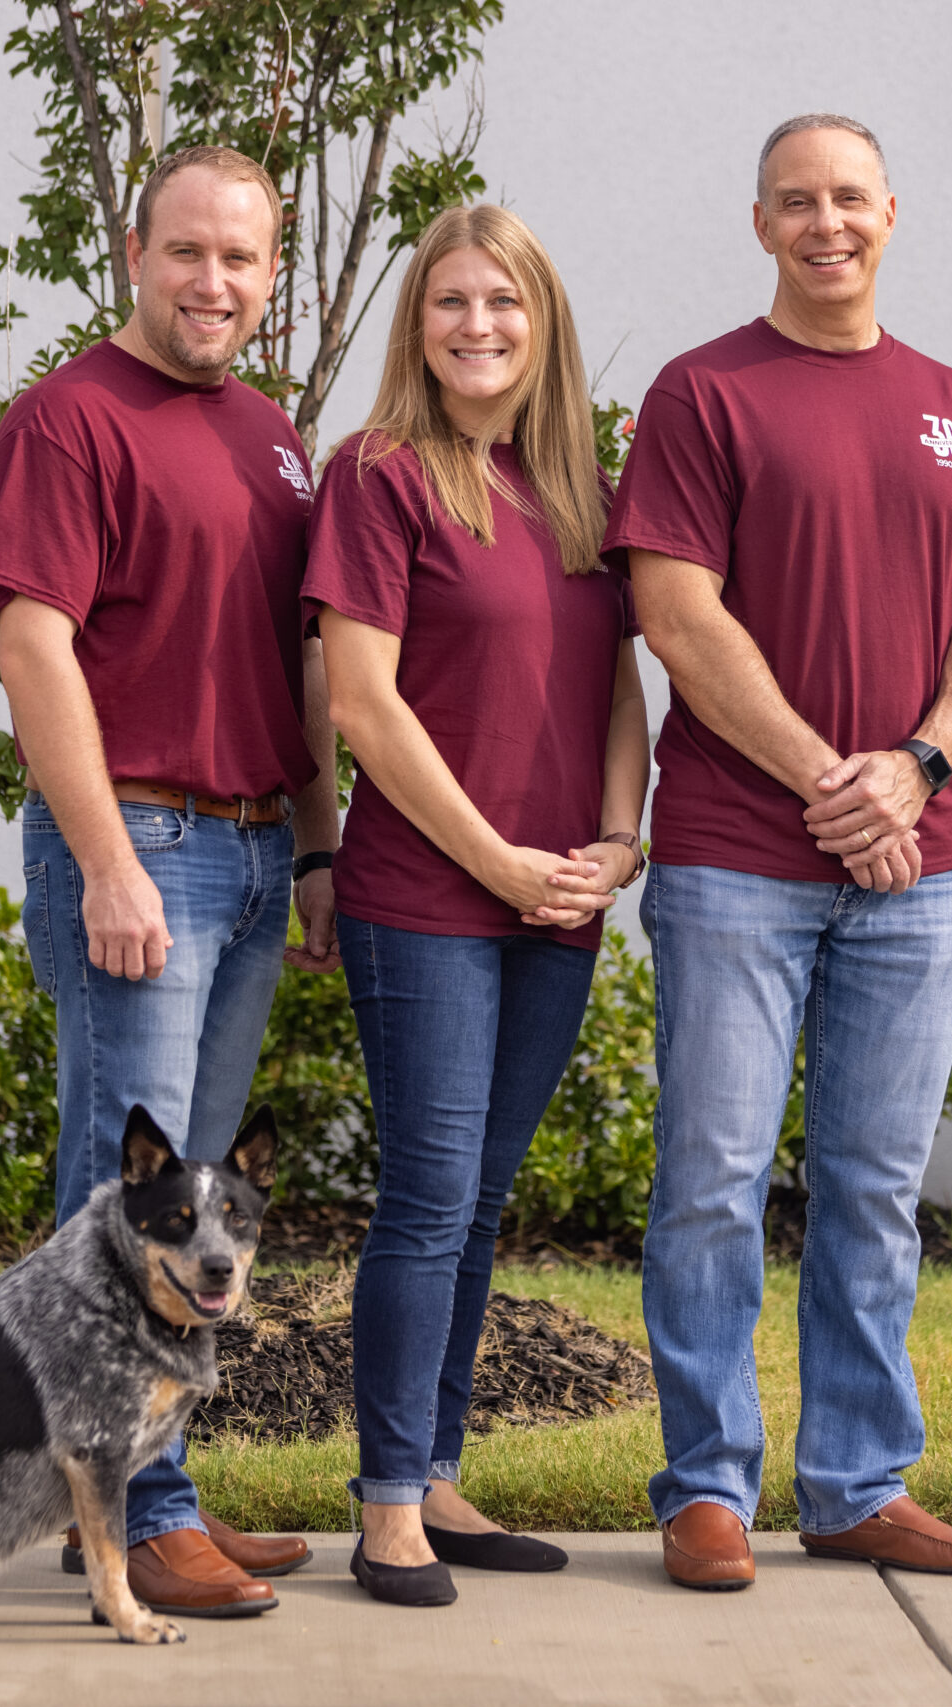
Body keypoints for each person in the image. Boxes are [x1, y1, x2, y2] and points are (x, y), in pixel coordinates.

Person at [604, 114, 952, 1591]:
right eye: (799, 202)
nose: (826, 223)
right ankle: (705, 1490)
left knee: (873, 1187)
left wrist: (913, 769)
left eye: (850, 199)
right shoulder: (703, 394)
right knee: (714, 1182)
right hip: (738, 854)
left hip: (925, 859)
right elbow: (676, 610)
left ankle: (856, 1481)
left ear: (893, 214)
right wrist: (825, 781)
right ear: (761, 222)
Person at [0, 144, 339, 1620]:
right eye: (188, 253)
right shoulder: (69, 421)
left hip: (251, 851)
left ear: (272, 271)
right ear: (135, 252)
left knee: (190, 1199)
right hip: (146, 848)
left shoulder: (275, 437)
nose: (214, 283)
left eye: (242, 261)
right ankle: (141, 1515)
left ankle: (141, 1499)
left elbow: (295, 665)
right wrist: (108, 859)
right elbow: (34, 647)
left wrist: (313, 844)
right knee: (120, 1206)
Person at [303, 204, 650, 1608]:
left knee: (484, 1199)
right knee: (430, 1198)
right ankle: (386, 1503)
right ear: (418, 325)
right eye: (450, 302)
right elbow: (361, 707)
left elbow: (619, 687)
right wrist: (499, 859)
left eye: (502, 302)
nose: (478, 327)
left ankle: (438, 1474)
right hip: (429, 901)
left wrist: (618, 840)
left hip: (561, 899)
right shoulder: (379, 475)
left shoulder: (579, 491)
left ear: (542, 322)